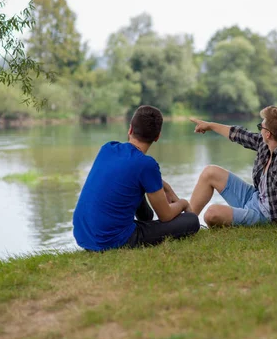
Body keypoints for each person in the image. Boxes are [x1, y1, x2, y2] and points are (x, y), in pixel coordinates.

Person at [73, 105, 200, 251]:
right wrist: (183, 204)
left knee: (142, 204)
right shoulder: (146, 165)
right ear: (157, 137)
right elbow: (165, 216)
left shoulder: (108, 148)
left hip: (83, 235)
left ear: (130, 129)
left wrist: (166, 187)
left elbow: (128, 172)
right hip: (112, 240)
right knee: (191, 221)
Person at [189, 106, 277, 227]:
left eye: (260, 127)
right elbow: (239, 134)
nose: (259, 130)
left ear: (268, 134)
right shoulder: (266, 145)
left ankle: (193, 225)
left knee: (212, 213)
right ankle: (186, 223)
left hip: (269, 215)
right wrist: (209, 125)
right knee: (210, 172)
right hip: (255, 198)